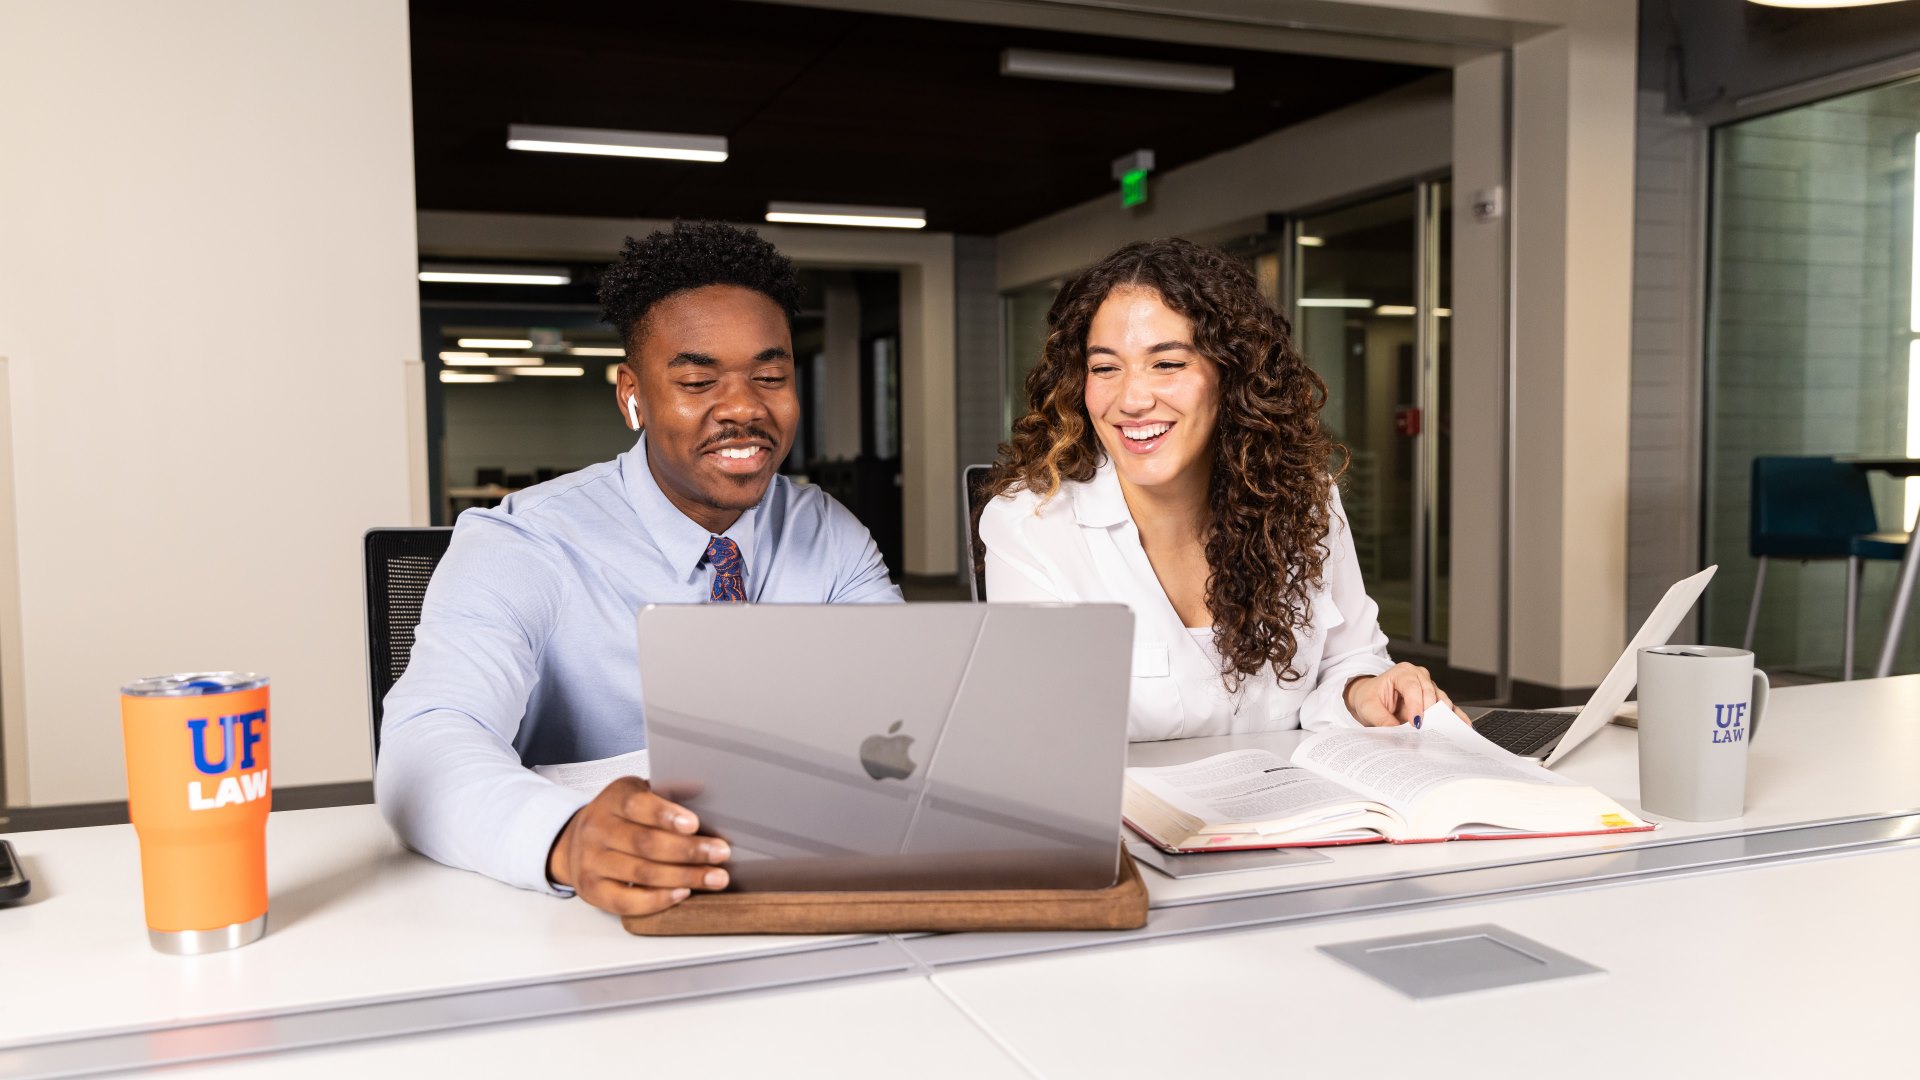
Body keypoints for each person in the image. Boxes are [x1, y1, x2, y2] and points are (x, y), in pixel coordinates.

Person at [378, 221, 901, 916]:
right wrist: (567, 837)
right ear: (632, 394)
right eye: (696, 379)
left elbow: (911, 711)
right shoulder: (522, 544)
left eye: (770, 377)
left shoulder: (826, 533)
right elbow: (422, 750)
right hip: (581, 924)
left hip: (798, 889)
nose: (745, 407)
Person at [976, 237, 1464, 740]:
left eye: (1167, 363)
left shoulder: (1302, 498)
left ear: (1233, 375)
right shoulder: (1030, 526)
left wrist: (1366, 693)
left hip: (1297, 808)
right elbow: (1037, 735)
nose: (1132, 399)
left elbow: (1350, 657)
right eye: (1105, 368)